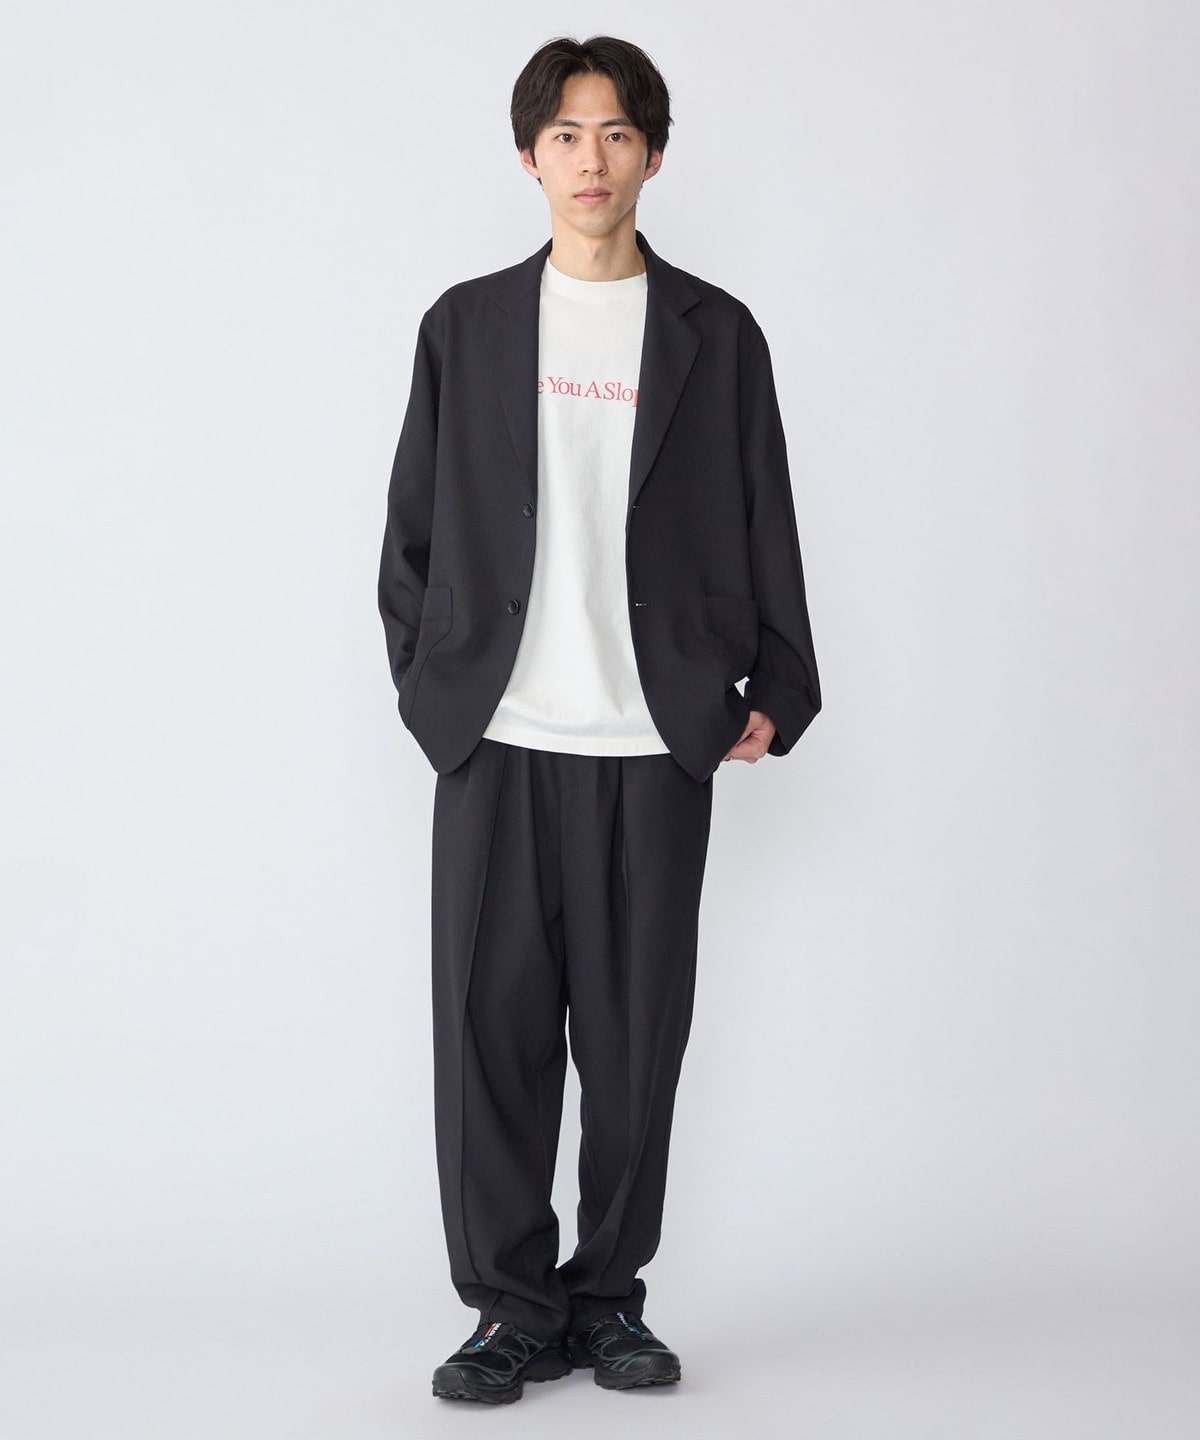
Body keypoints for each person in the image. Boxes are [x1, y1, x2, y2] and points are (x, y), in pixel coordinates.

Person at [378, 35, 820, 1406]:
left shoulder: (715, 335)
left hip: (651, 741)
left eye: (618, 133)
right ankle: (508, 1311)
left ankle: (608, 1300)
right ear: (530, 156)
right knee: (490, 1042)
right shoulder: (466, 328)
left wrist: (780, 683)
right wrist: (431, 688)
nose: (592, 158)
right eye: (567, 134)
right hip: (499, 740)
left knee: (636, 1048)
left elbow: (765, 510)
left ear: (654, 155)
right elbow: (409, 538)